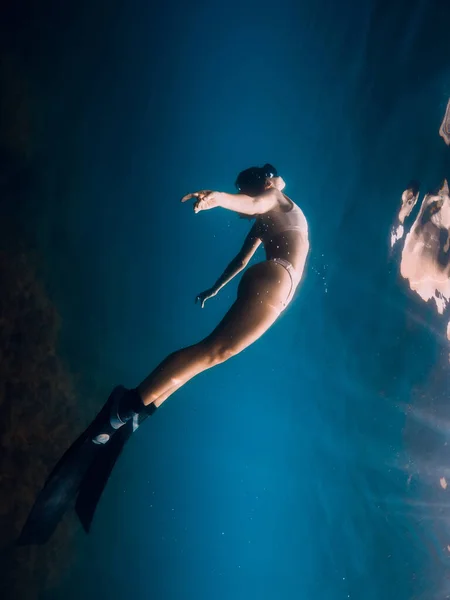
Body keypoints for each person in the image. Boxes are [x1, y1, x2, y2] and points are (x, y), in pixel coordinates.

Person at [19, 163, 310, 544]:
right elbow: (252, 204)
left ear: (263, 180)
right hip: (278, 279)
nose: (244, 198)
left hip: (270, 278)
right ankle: (124, 410)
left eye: (243, 188)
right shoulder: (273, 200)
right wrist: (216, 199)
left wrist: (216, 289)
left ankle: (141, 408)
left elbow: (242, 260)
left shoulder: (271, 204)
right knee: (211, 353)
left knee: (210, 355)